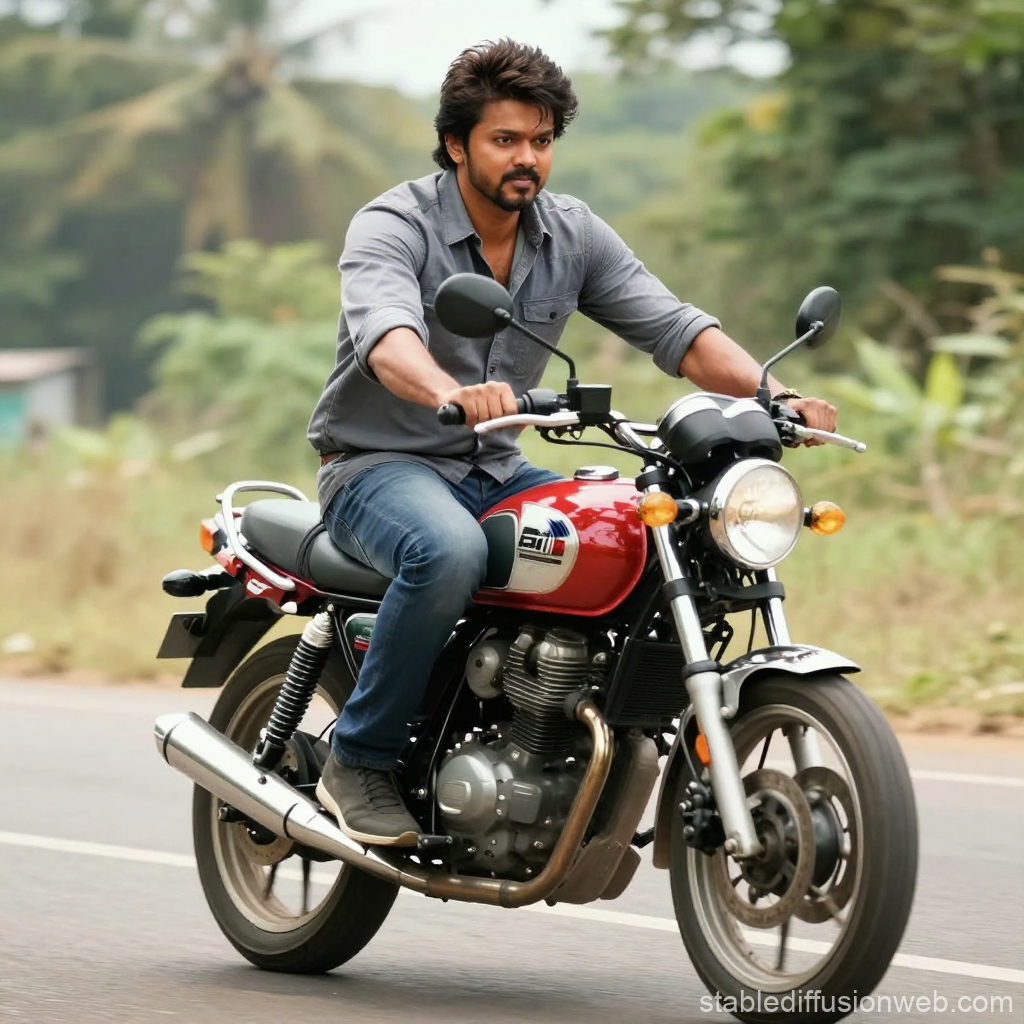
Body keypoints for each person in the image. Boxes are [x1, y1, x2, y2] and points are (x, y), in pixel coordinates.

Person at [308, 38, 837, 846]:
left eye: (542, 141)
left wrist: (774, 394)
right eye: (506, 140)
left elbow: (677, 330)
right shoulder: (394, 223)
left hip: (498, 465)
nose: (528, 160)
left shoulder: (569, 234)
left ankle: (578, 741)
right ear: (458, 144)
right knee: (447, 552)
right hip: (380, 466)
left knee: (636, 534)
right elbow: (388, 339)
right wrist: (451, 393)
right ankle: (362, 757)